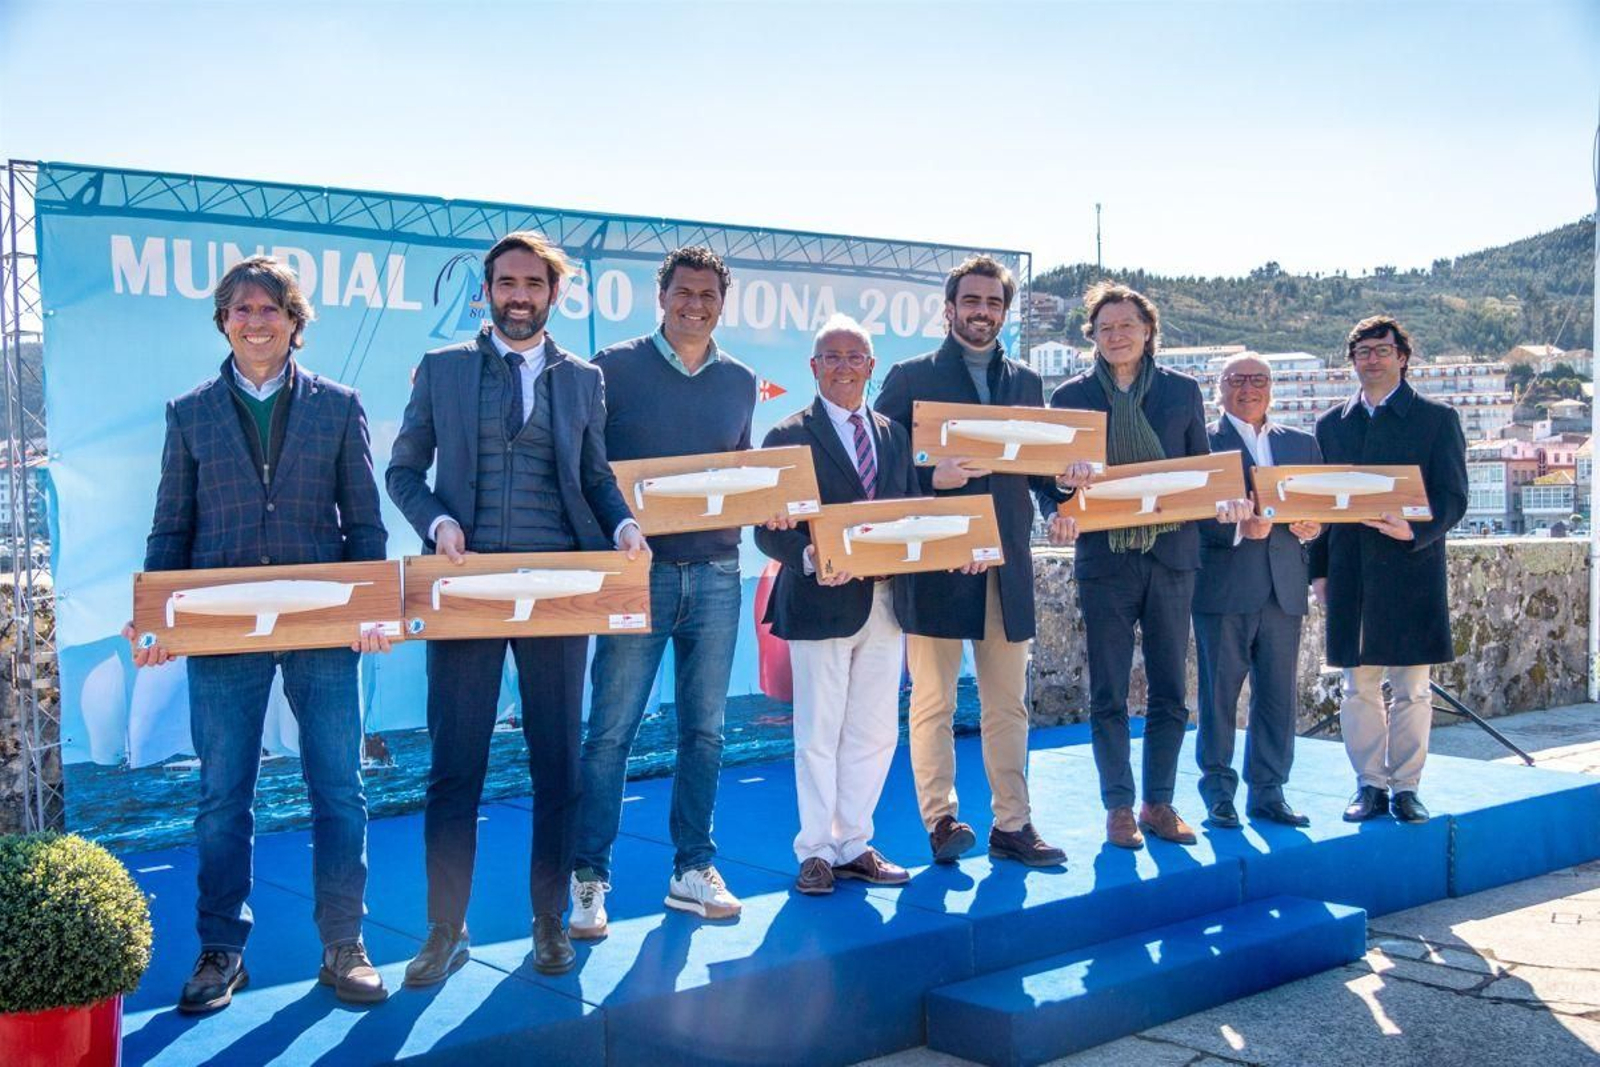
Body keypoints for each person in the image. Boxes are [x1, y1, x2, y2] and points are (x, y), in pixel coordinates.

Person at [128, 255, 390, 1011]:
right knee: (222, 796)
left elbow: (364, 522)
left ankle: (345, 943)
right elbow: (170, 526)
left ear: (294, 321)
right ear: (223, 320)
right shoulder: (189, 412)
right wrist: (158, 620)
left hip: (323, 626)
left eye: (270, 308)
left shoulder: (341, 407)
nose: (254, 320)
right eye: (240, 308)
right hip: (222, 633)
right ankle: (220, 950)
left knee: (340, 787)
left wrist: (368, 608)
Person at [387, 231, 645, 980]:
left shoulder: (584, 379)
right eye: (506, 283)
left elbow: (594, 478)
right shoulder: (441, 371)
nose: (519, 295)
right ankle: (444, 928)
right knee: (454, 767)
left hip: (557, 591)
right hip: (466, 593)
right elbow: (404, 469)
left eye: (533, 283)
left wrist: (623, 522)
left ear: (553, 293)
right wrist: (437, 522)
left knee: (558, 765)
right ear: (488, 290)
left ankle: (549, 922)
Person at [572, 246, 794, 938]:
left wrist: (774, 503)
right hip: (639, 577)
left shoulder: (739, 380)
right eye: (683, 292)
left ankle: (692, 867)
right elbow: (589, 470)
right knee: (610, 734)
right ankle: (588, 877)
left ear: (721, 304)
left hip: (720, 573)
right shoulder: (610, 367)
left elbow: (736, 472)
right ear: (660, 295)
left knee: (705, 732)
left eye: (708, 295)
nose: (694, 304)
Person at [1044, 282, 1252, 850]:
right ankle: (1117, 806)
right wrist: (1062, 502)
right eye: (1105, 328)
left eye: (1126, 326)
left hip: (1172, 555)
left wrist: (1225, 504)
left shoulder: (1183, 393)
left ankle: (1158, 802)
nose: (1116, 336)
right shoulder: (1070, 395)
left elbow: (1201, 471)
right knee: (1108, 692)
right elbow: (1051, 475)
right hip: (1105, 560)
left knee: (1169, 693)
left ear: (1148, 331)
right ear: (1092, 336)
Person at [875, 255, 1067, 868]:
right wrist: (932, 473)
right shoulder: (909, 379)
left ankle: (1013, 824)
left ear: (1004, 313)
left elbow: (1040, 473)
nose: (982, 312)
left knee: (1007, 702)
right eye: (972, 301)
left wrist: (1066, 489)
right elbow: (877, 464)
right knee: (931, 700)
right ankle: (942, 821)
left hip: (1006, 568)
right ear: (949, 308)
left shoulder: (1027, 385)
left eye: (993, 304)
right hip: (935, 564)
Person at [754, 314, 918, 894]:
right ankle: (816, 852)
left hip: (885, 603)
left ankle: (853, 843)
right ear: (813, 368)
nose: (844, 367)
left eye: (855, 357)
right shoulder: (786, 436)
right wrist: (808, 558)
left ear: (872, 367)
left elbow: (910, 515)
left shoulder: (895, 435)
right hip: (819, 604)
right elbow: (767, 530)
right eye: (832, 357)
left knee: (875, 732)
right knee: (818, 733)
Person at [1310, 315, 1467, 825]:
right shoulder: (1332, 424)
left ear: (1402, 356)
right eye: (1362, 352)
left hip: (1411, 569)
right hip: (1350, 572)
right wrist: (1319, 571)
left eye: (1382, 350)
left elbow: (1454, 497)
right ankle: (1370, 785)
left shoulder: (1437, 419)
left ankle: (1406, 787)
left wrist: (1416, 532)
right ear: (1352, 361)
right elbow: (1322, 505)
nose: (1372, 359)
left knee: (1412, 689)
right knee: (1358, 689)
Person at [1192, 354, 1322, 829]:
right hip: (1222, 589)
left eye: (1258, 380)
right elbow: (1185, 518)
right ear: (1218, 387)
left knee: (1277, 698)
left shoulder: (1302, 443)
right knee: (1218, 696)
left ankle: (1269, 792)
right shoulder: (1201, 442)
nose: (1249, 388)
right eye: (1237, 379)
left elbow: (1317, 508)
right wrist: (1238, 531)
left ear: (1272, 387)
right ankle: (1218, 792)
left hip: (1284, 589)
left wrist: (1313, 527)